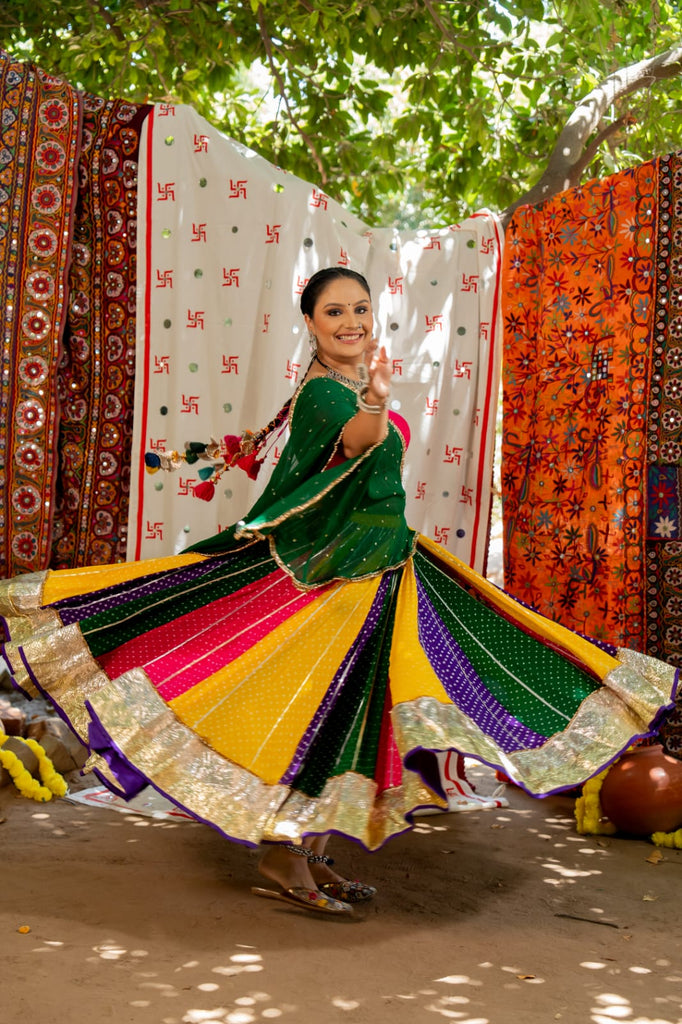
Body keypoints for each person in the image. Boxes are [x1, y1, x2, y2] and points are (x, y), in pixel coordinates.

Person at [0, 267, 678, 917]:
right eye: (335, 311)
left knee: (347, 722)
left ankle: (305, 847)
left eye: (360, 309)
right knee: (317, 722)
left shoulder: (344, 381)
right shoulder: (331, 394)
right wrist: (378, 402)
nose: (351, 321)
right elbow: (360, 443)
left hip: (381, 569)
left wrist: (375, 395)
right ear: (310, 322)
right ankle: (285, 854)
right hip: (335, 583)